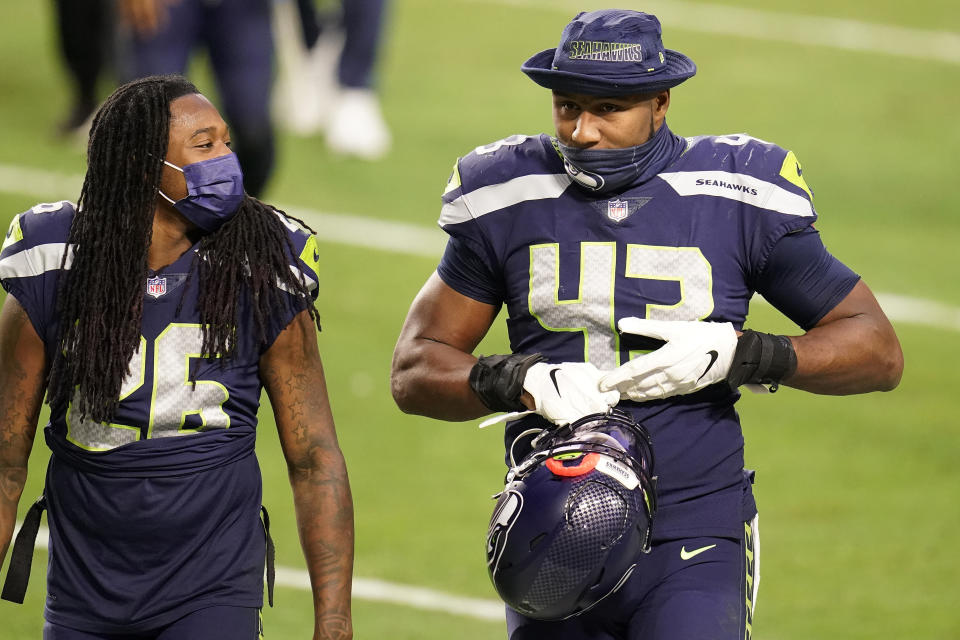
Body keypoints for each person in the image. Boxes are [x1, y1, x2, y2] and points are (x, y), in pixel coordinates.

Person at [390, 9, 902, 640]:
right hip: (553, 519)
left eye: (608, 109)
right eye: (566, 106)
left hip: (692, 524)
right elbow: (415, 367)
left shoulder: (735, 194)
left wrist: (745, 353)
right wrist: (517, 378)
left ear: (660, 103)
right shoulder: (505, 193)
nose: (581, 131)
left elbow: (877, 350)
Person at [0, 75, 353, 639]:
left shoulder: (263, 266)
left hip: (212, 585)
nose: (226, 161)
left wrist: (333, 625)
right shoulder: (54, 265)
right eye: (205, 145)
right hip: (84, 588)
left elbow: (315, 458)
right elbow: (5, 463)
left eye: (226, 143)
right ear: (143, 168)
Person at [117, 0, 277, 197]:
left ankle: (236, 218)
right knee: (146, 117)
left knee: (252, 129)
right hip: (170, 6)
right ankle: (135, 217)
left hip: (240, 9)